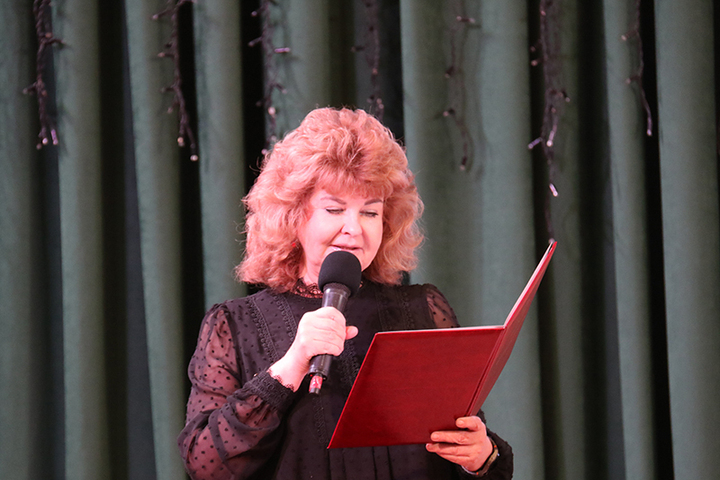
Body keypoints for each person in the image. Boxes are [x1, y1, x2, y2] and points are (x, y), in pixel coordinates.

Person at [177, 107, 514, 479]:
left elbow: (464, 438)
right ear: (293, 217)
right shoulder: (234, 324)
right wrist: (292, 364)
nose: (354, 228)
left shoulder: (423, 310)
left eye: (370, 213)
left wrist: (482, 456)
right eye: (334, 209)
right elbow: (205, 465)